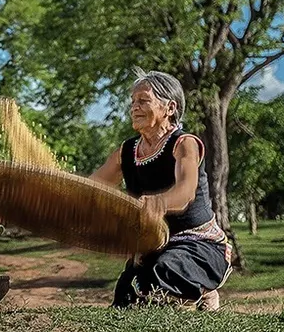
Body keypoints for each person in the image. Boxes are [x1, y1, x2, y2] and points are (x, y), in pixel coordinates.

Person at [91, 69, 231, 311]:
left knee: (165, 273)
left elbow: (185, 191)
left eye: (144, 100)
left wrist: (159, 203)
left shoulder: (185, 143)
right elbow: (93, 188)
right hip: (154, 245)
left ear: (170, 108)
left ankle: (205, 289)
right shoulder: (127, 151)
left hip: (198, 245)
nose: (134, 107)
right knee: (126, 298)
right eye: (133, 102)